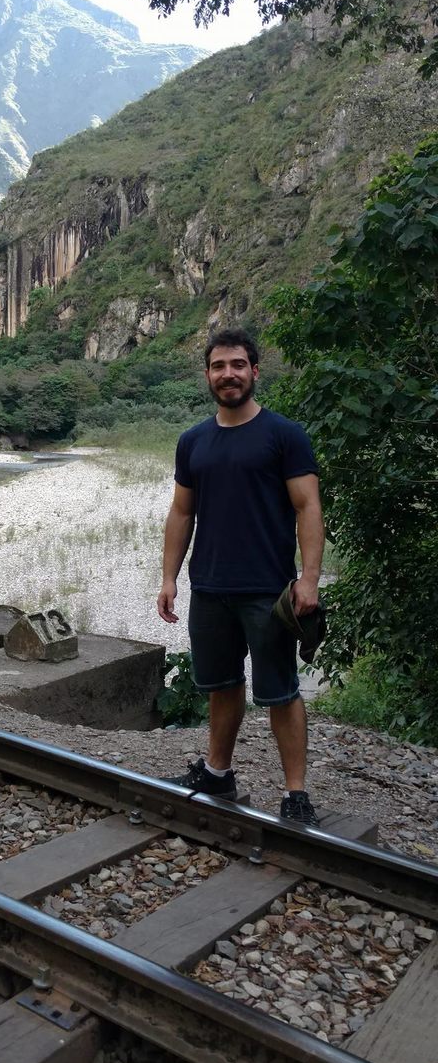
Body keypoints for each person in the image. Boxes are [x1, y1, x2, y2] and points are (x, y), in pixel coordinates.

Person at [156, 326, 324, 825]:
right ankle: (217, 773)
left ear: (254, 370)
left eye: (236, 365)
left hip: (268, 591)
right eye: (218, 366)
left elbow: (308, 506)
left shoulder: (284, 435)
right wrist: (169, 578)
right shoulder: (193, 441)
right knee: (222, 685)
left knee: (280, 691)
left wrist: (309, 579)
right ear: (207, 375)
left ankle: (296, 793)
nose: (227, 374)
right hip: (209, 588)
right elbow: (182, 512)